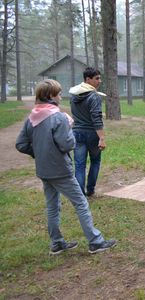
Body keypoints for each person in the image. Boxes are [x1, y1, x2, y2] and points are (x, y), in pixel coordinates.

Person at [16, 79, 116, 255]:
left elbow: (21, 144)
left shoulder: (32, 117)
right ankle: (95, 242)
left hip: (43, 170)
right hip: (60, 169)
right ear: (51, 96)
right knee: (81, 203)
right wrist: (69, 127)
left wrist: (39, 152)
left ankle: (57, 243)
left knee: (52, 205)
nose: (61, 96)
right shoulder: (59, 117)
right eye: (59, 93)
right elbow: (67, 145)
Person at [69, 67, 106, 197]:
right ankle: (90, 190)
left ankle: (80, 194)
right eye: (97, 78)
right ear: (87, 79)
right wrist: (101, 137)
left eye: (100, 78)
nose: (99, 81)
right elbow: (96, 118)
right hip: (92, 134)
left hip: (77, 133)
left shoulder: (73, 95)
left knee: (79, 165)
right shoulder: (94, 96)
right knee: (95, 161)